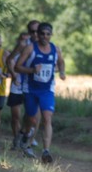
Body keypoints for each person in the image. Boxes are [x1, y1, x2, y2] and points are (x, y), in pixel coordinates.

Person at [15, 21, 66, 163]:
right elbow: (18, 67)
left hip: (47, 90)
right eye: (42, 33)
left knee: (47, 118)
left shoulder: (55, 49)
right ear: (38, 34)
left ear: (51, 35)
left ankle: (46, 151)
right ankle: (25, 135)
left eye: (48, 34)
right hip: (30, 89)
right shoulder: (30, 48)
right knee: (31, 119)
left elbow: (61, 62)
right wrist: (31, 70)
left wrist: (62, 71)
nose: (45, 36)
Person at [6, 20, 41, 149]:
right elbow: (9, 60)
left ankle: (28, 141)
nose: (36, 34)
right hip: (18, 83)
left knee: (33, 116)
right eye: (32, 31)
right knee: (16, 115)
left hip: (33, 86)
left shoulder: (44, 47)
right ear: (29, 32)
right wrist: (13, 74)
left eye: (38, 31)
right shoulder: (22, 45)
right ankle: (17, 139)